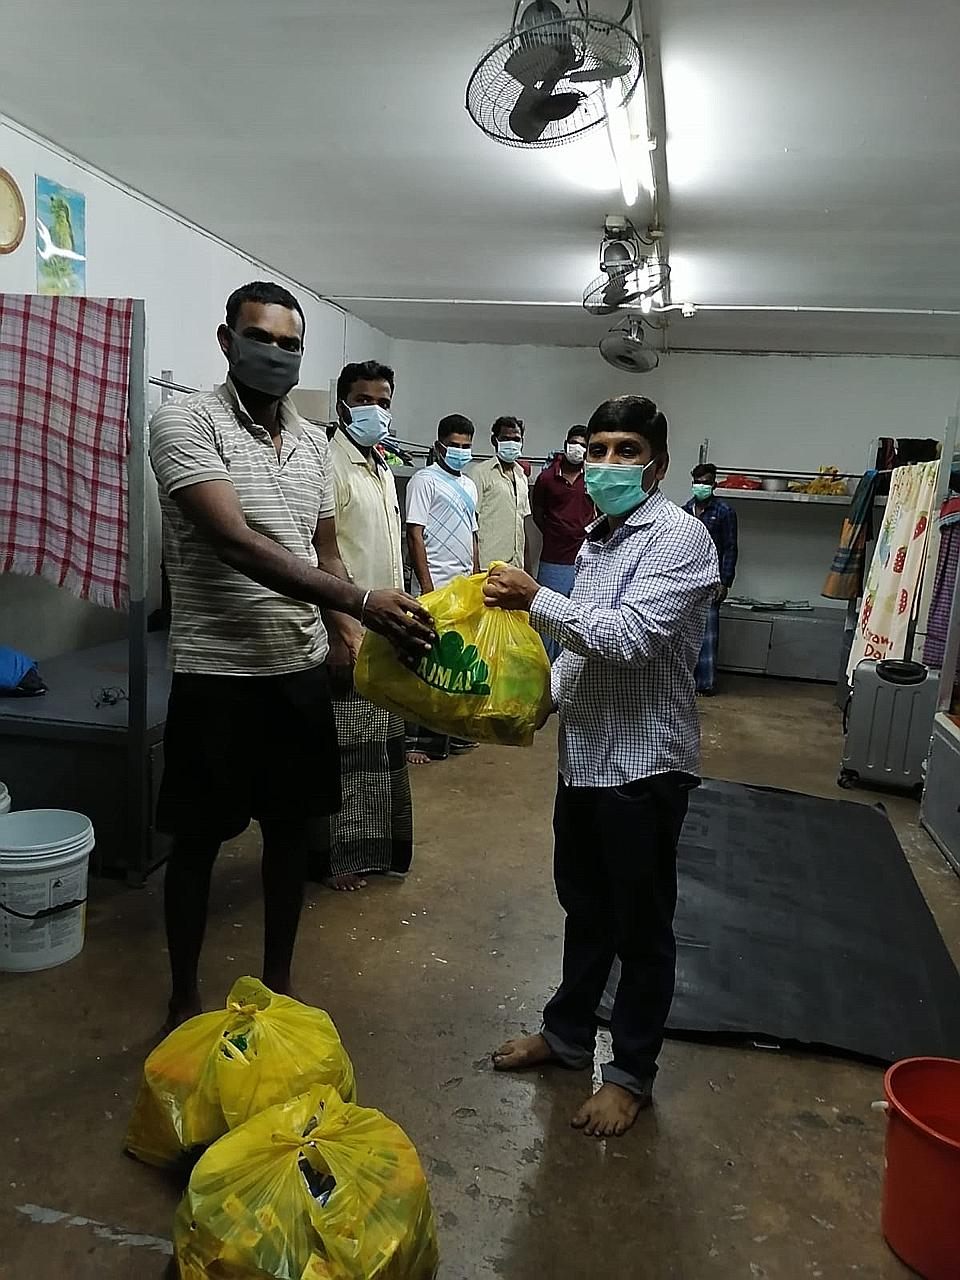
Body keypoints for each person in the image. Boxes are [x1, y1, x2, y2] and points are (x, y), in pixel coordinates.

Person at [149, 282, 434, 1026]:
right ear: (225, 340)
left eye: (288, 344)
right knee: (197, 844)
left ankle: (278, 980)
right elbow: (233, 542)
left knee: (289, 835)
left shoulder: (312, 442)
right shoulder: (186, 422)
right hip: (217, 673)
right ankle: (184, 995)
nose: (274, 354)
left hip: (297, 672)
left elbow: (323, 548)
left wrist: (347, 634)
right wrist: (362, 602)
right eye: (260, 337)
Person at [483, 395, 719, 1138]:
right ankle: (567, 1036)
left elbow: (629, 638)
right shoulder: (598, 537)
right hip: (584, 759)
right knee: (585, 907)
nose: (609, 463)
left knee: (641, 927)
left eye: (627, 450)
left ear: (659, 463)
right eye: (600, 448)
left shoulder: (681, 539)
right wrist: (541, 699)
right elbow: (586, 657)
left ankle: (631, 1073)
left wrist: (537, 600)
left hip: (644, 766)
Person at [320, 359, 412, 892]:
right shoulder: (330, 464)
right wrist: (339, 629)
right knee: (346, 754)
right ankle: (337, 859)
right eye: (365, 400)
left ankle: (375, 849)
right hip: (349, 627)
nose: (376, 410)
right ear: (342, 405)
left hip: (385, 627)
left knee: (382, 750)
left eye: (384, 400)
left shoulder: (378, 463)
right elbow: (320, 552)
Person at [404, 414, 480, 762]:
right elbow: (415, 533)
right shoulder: (424, 480)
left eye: (466, 447)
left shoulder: (469, 486)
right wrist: (428, 586)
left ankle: (447, 735)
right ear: (439, 446)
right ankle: (417, 740)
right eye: (454, 446)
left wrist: (477, 579)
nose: (460, 452)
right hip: (433, 586)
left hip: (462, 588)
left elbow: (472, 535)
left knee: (452, 663)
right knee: (423, 662)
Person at [531, 425, 595, 660]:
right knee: (547, 619)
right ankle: (545, 674)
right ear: (565, 443)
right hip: (554, 559)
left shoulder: (592, 478)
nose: (577, 449)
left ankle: (565, 674)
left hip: (584, 560)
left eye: (583, 445)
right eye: (574, 442)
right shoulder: (547, 478)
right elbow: (538, 512)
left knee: (575, 621)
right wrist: (554, 532)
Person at [683, 463, 738, 695]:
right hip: (687, 580)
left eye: (706, 482)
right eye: (698, 482)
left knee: (708, 634)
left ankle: (705, 683)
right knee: (686, 632)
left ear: (714, 485)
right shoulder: (684, 510)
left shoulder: (724, 512)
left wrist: (725, 581)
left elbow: (730, 547)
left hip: (712, 581)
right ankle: (686, 681)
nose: (701, 486)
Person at [471, 415, 532, 573]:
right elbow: (471, 524)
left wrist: (528, 569)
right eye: (505, 438)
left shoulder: (522, 477)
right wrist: (475, 568)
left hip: (516, 567)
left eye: (517, 439)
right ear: (494, 441)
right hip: (488, 566)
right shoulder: (480, 473)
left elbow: (522, 526)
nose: (512, 443)